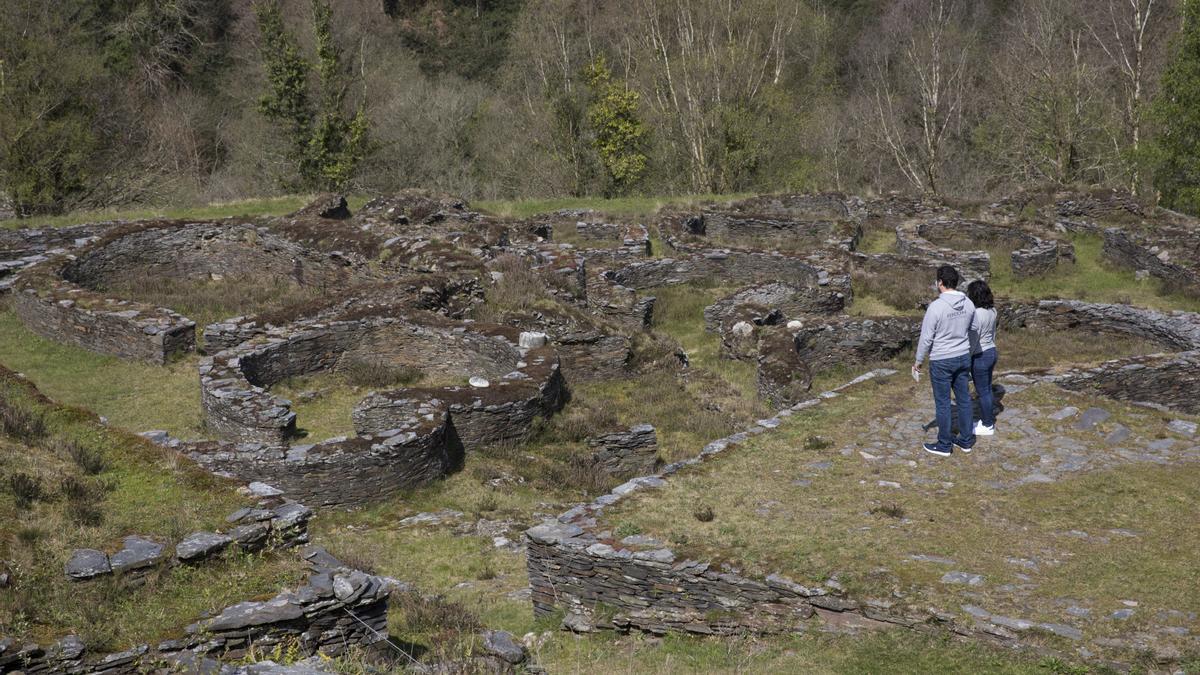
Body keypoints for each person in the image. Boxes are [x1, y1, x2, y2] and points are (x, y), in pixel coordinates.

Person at [913, 265, 976, 457]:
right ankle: (965, 440)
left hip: (942, 358)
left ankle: (944, 444)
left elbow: (926, 338)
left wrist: (918, 361)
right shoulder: (968, 304)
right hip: (963, 356)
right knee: (964, 399)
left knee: (943, 403)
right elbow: (973, 330)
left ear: (940, 282)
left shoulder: (936, 307)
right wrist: (969, 352)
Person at [967, 280, 998, 436]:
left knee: (982, 391)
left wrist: (967, 357)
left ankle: (987, 424)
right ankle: (987, 418)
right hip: (992, 350)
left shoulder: (977, 314)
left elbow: (973, 340)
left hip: (980, 354)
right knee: (987, 388)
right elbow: (993, 333)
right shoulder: (993, 311)